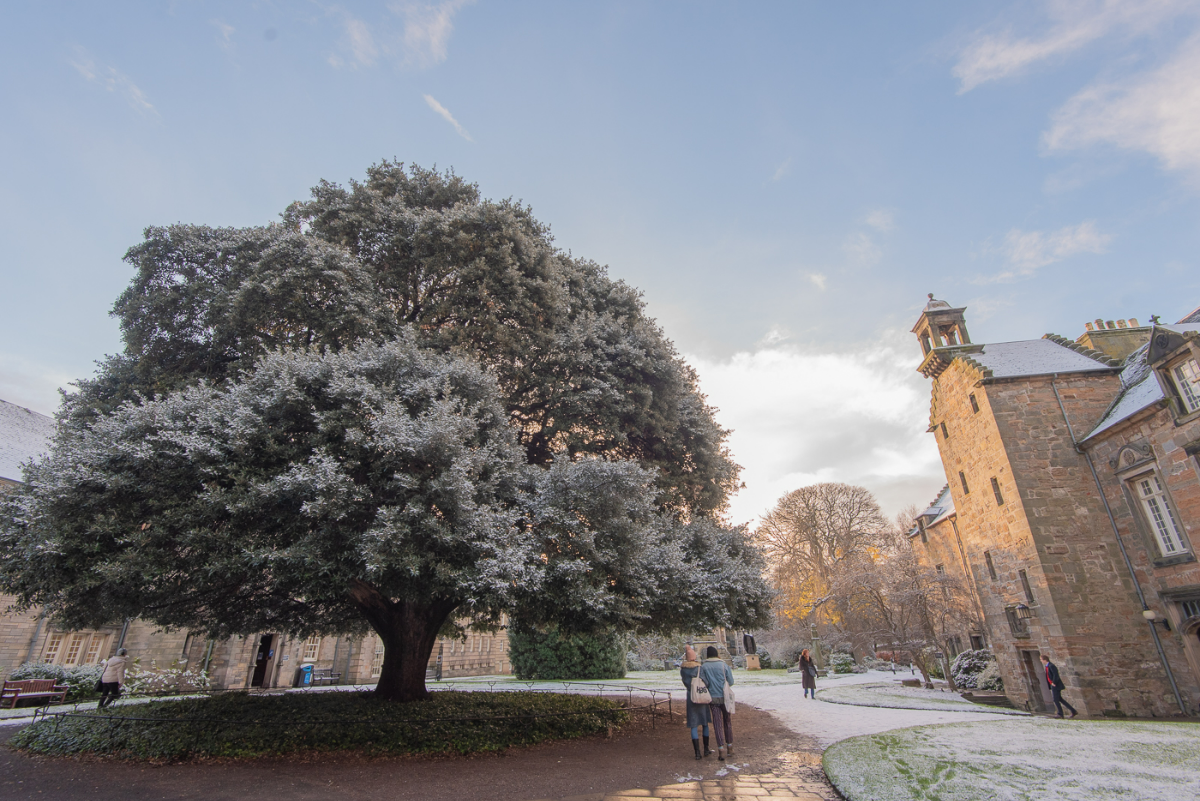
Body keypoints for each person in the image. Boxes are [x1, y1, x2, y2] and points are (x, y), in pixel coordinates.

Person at [698, 645, 735, 761]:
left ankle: (721, 749)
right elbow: (731, 681)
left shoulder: (703, 667)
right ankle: (730, 747)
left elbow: (704, 682)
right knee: (727, 721)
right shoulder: (724, 665)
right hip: (725, 698)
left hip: (712, 698)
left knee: (717, 724)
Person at [680, 646, 713, 760]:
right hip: (701, 696)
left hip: (691, 697)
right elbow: (706, 682)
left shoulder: (683, 670)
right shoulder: (699, 668)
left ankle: (697, 752)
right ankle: (706, 748)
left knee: (693, 724)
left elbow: (685, 683)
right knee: (704, 723)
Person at [1040, 653, 1077, 719]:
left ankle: (1060, 714)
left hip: (1056, 685)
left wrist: (1054, 682)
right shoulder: (1047, 666)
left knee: (1055, 700)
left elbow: (1055, 675)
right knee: (1060, 699)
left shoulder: (1051, 666)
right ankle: (1073, 711)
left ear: (1045, 660)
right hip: (1052, 685)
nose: (1041, 661)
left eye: (1041, 659)